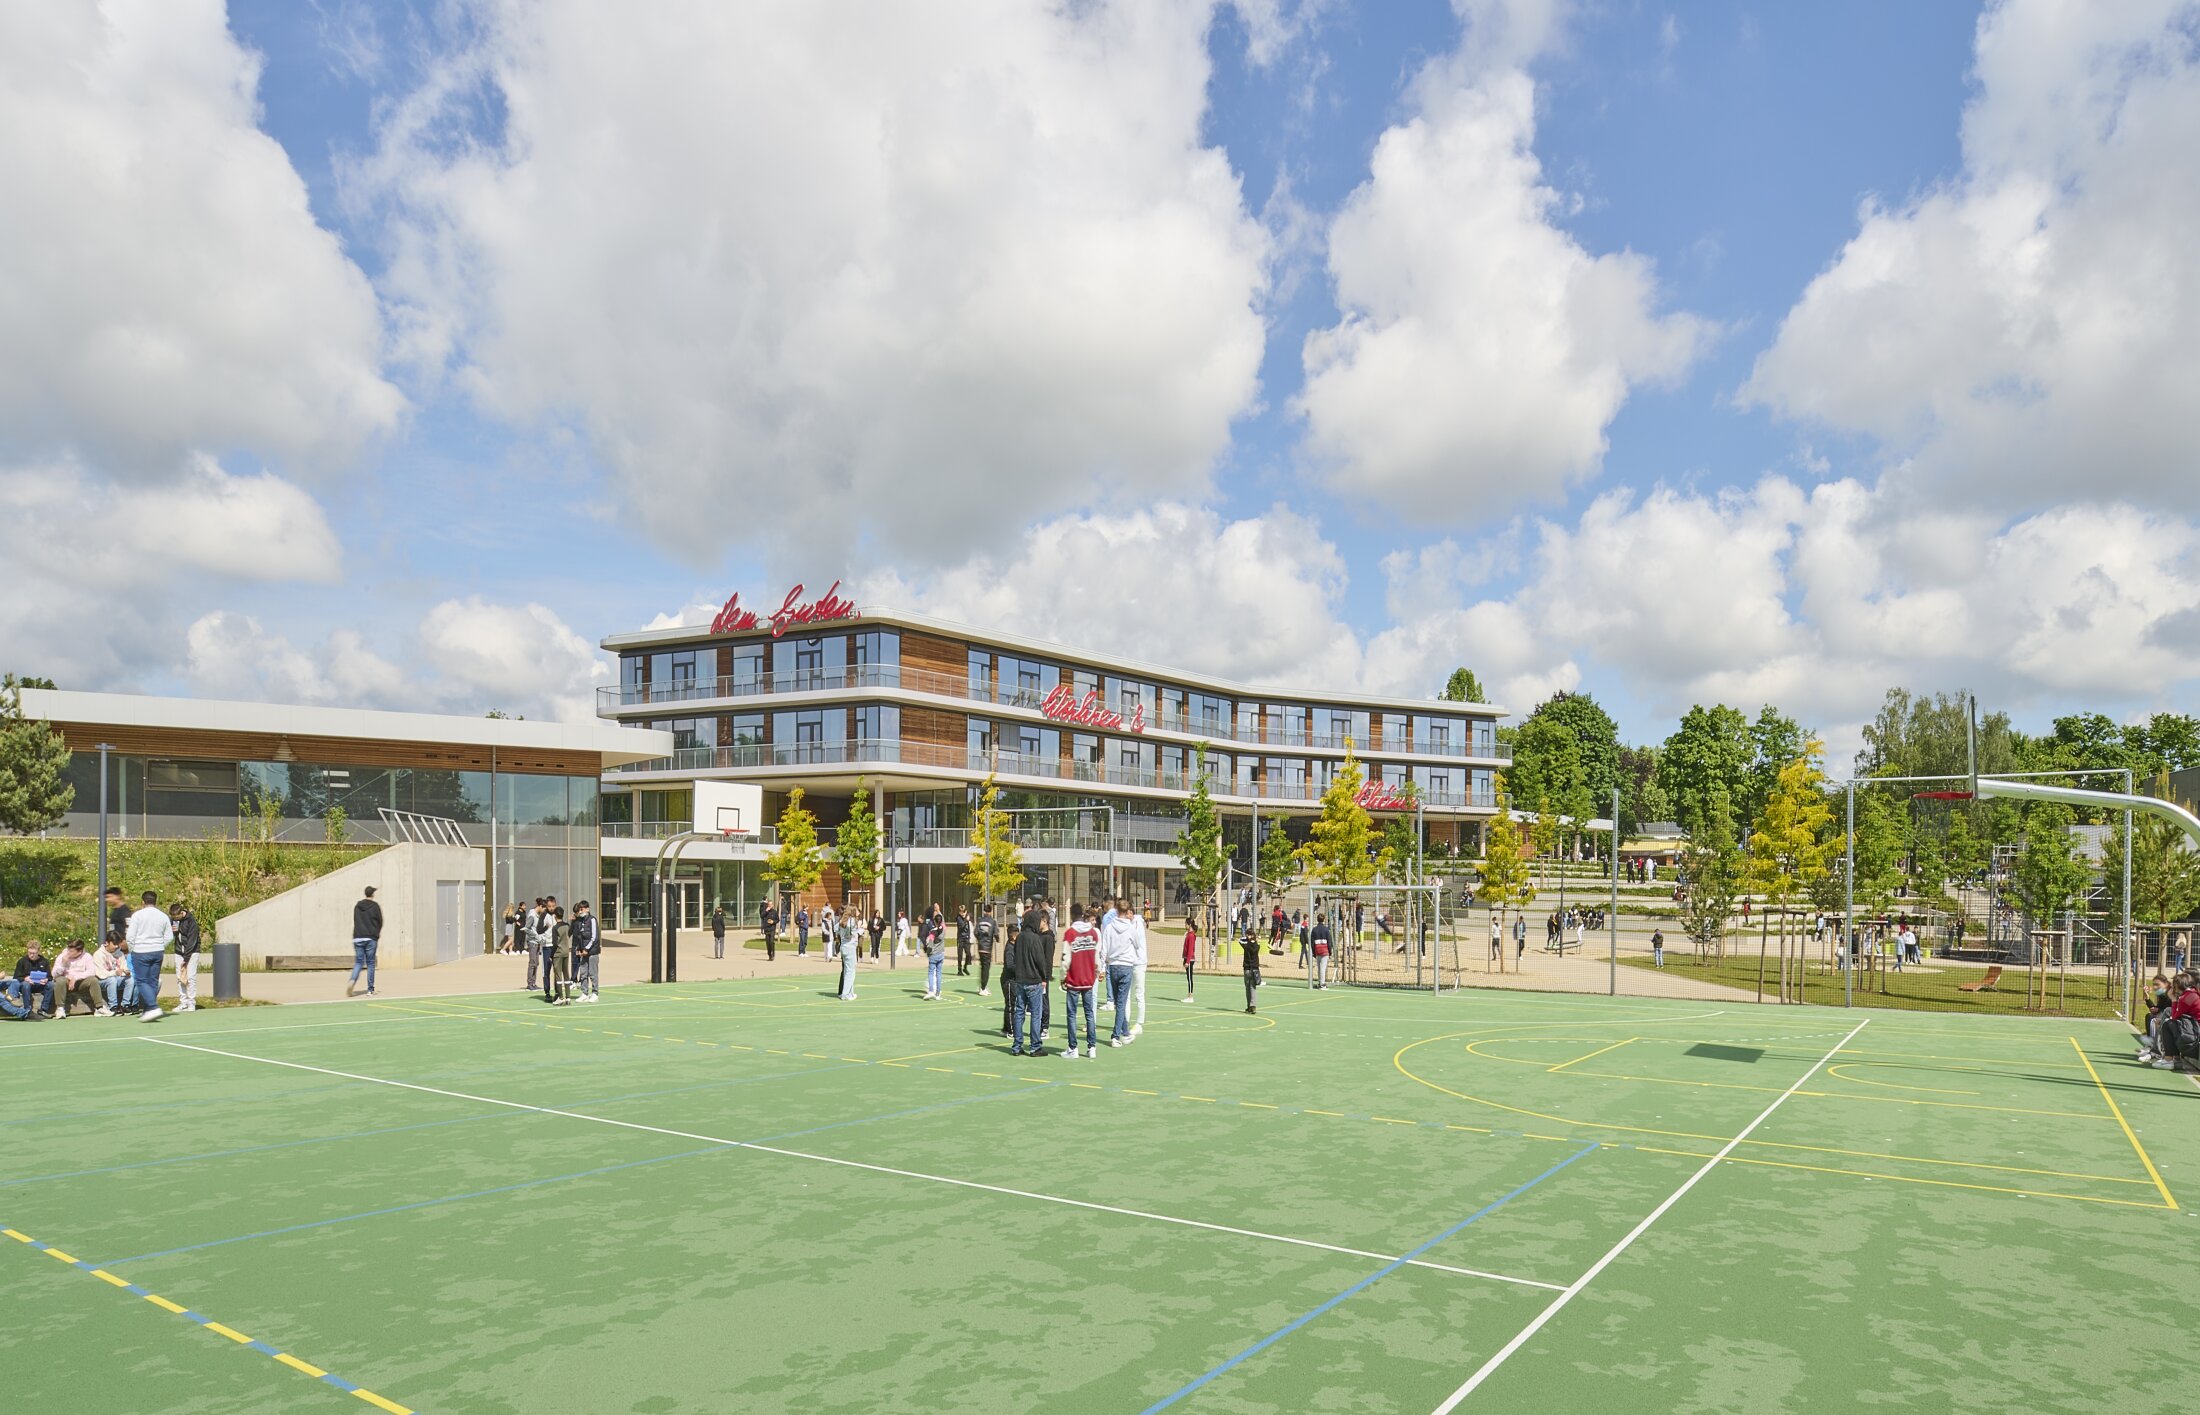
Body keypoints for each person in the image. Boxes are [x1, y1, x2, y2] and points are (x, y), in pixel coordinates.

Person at [1005, 904, 1051, 1057]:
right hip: (1033, 980)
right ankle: (1035, 1046)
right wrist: (1044, 976)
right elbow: (1040, 960)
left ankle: (1017, 1046)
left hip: (1020, 980)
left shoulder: (1019, 938)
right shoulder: (1035, 938)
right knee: (1036, 1014)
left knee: (1019, 1013)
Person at [1060, 902, 1100, 1059]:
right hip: (1089, 980)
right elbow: (1097, 957)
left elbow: (1065, 959)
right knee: (1089, 1013)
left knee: (1072, 1014)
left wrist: (1063, 977)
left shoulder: (1070, 934)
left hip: (1074, 980)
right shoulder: (1093, 933)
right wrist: (1096, 972)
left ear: (1071, 915)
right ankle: (1092, 1048)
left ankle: (1073, 1048)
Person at [125, 890, 173, 1022]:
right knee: (152, 981)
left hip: (140, 951)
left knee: (141, 981)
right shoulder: (163, 916)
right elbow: (169, 936)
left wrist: (132, 949)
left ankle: (153, 1006)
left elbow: (130, 936)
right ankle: (148, 1010)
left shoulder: (137, 915)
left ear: (142, 902)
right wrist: (159, 945)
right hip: (157, 951)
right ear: (155, 901)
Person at [1100, 901, 1139, 1047]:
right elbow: (1137, 944)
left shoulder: (1109, 927)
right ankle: (1116, 1036)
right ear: (1127, 911)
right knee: (1121, 1003)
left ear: (1116, 911)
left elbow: (1104, 949)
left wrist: (1103, 968)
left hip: (1113, 966)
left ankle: (1126, 1032)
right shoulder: (1130, 928)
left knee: (1118, 1002)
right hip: (1126, 965)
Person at [347, 885, 384, 998]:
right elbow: (380, 921)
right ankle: (370, 989)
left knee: (358, 962)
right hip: (370, 937)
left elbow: (355, 920)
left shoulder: (357, 906)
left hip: (358, 937)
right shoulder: (375, 906)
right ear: (372, 894)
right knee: (371, 963)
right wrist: (376, 934)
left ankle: (352, 980)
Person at [53, 940, 102, 1017]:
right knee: (59, 980)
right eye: (68, 949)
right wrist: (63, 964)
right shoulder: (62, 956)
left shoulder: (87, 956)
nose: (69, 952)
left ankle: (99, 1008)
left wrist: (75, 978)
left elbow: (91, 971)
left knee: (93, 980)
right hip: (66, 981)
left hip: (80, 982)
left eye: (71, 951)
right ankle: (60, 1008)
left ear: (79, 952)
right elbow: (54, 974)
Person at [10, 941, 57, 1018]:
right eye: (29, 953)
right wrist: (25, 978)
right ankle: (27, 1010)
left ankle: (43, 1009)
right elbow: (16, 977)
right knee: (25, 985)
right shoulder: (22, 961)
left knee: (51, 985)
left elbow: (50, 977)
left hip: (40, 984)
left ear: (38, 952)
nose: (31, 955)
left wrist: (45, 980)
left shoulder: (44, 961)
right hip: (27, 985)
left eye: (33, 953)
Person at [170, 902, 201, 1012]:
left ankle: (191, 1002)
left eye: (176, 917)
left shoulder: (191, 922)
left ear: (181, 913)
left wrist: (186, 958)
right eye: (173, 918)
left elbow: (192, 941)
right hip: (179, 952)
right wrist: (174, 931)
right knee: (180, 978)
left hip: (192, 952)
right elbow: (174, 935)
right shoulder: (174, 920)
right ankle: (183, 1002)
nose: (175, 919)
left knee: (191, 977)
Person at [92, 935, 135, 1014]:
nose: (116, 946)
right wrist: (115, 972)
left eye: (117, 944)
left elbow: (124, 967)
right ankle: (113, 1006)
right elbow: (100, 974)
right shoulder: (98, 954)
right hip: (101, 981)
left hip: (116, 979)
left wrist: (126, 971)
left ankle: (125, 1005)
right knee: (112, 980)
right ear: (107, 943)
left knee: (130, 979)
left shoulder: (120, 954)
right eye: (114, 944)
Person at [570, 902, 601, 1002]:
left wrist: (586, 949)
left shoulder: (592, 920)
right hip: (583, 952)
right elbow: (579, 936)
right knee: (583, 973)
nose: (580, 911)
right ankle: (584, 993)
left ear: (587, 909)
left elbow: (594, 937)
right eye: (579, 909)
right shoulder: (580, 921)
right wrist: (579, 949)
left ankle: (595, 993)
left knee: (593, 973)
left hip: (592, 952)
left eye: (582, 909)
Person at [544, 906, 574, 1005]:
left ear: (555, 916)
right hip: (566, 952)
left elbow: (555, 943)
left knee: (558, 976)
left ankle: (560, 997)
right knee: (566, 974)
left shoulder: (555, 928)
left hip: (558, 953)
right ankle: (568, 997)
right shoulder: (567, 925)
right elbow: (569, 934)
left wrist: (551, 955)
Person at [921, 907, 946, 1000]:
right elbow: (942, 919)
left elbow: (930, 945)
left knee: (931, 973)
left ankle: (931, 991)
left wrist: (927, 952)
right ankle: (938, 993)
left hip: (934, 954)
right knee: (939, 973)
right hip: (941, 953)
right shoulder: (943, 929)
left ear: (934, 922)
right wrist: (939, 910)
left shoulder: (933, 932)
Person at [974, 905, 998, 998]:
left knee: (983, 967)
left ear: (984, 911)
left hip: (980, 947)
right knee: (986, 968)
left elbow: (975, 932)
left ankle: (983, 986)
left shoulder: (980, 920)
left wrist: (980, 939)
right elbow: (995, 933)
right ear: (991, 912)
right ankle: (983, 988)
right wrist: (997, 938)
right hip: (987, 948)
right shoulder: (993, 921)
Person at [522, 898, 545, 990]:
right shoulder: (532, 915)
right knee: (532, 962)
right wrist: (534, 935)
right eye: (543, 908)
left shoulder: (538, 915)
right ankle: (530, 984)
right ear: (540, 906)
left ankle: (534, 983)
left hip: (537, 941)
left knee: (536, 963)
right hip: (532, 942)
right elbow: (526, 928)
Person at [837, 914, 861, 1000]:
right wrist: (861, 928)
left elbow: (836, 929)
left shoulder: (842, 920)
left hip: (844, 946)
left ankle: (850, 993)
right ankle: (845, 994)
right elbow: (851, 933)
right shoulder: (851, 921)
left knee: (847, 971)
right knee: (850, 972)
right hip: (849, 947)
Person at [1241, 921, 1262, 1013]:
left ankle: (1249, 1005)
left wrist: (1248, 939)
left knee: (1248, 988)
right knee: (1253, 987)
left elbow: (1240, 940)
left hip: (1247, 969)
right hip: (1255, 969)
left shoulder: (1246, 945)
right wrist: (1253, 938)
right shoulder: (1257, 945)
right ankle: (1252, 1005)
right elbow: (1254, 943)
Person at [1309, 910, 1332, 989]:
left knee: (1319, 968)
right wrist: (1330, 951)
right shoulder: (1326, 929)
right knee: (1323, 968)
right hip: (1324, 950)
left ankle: (1320, 982)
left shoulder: (1314, 930)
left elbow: (1312, 943)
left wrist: (1313, 952)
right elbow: (1329, 942)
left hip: (1317, 950)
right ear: (1324, 920)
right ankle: (1322, 984)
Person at [1182, 917, 1199, 1002]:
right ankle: (1189, 995)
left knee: (1190, 978)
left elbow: (1190, 950)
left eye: (1186, 924)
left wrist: (1188, 961)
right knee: (1188, 978)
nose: (1185, 925)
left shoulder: (1191, 936)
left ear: (1189, 925)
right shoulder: (1188, 934)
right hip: (1187, 959)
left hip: (1190, 960)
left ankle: (1190, 996)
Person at [954, 905, 972, 976]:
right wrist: (965, 920)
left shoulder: (966, 916)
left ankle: (965, 967)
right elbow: (961, 926)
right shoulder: (959, 918)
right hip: (961, 938)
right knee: (960, 955)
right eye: (962, 912)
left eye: (964, 912)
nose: (963, 913)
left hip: (966, 938)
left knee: (968, 954)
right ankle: (959, 969)